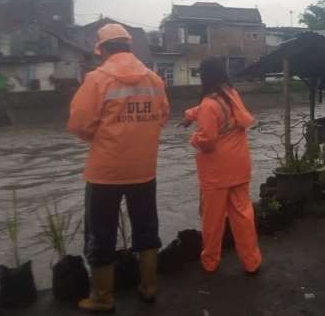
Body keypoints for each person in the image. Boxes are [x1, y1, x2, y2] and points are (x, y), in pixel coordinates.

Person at [68, 23, 169, 312]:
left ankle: (102, 297)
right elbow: (161, 117)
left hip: (106, 172)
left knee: (101, 234)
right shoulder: (154, 80)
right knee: (147, 229)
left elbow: (79, 124)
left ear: (103, 50)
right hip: (144, 169)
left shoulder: (97, 79)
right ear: (129, 46)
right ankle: (149, 287)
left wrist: (101, 135)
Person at [180, 57, 262, 274]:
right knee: (243, 217)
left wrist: (193, 139)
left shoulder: (209, 103)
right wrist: (190, 114)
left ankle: (210, 262)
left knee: (212, 221)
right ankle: (252, 262)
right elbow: (210, 109)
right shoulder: (231, 95)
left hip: (216, 173)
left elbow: (206, 141)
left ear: (205, 77)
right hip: (240, 166)